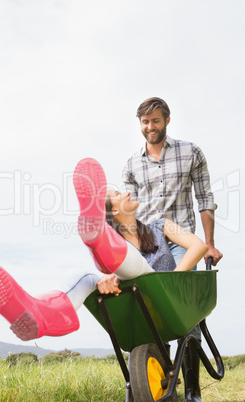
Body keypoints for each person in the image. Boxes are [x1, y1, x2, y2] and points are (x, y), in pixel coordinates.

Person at [0, 158, 207, 344]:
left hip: (167, 302)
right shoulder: (120, 258)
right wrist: (109, 279)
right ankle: (44, 313)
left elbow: (199, 246)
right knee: (87, 277)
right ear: (115, 210)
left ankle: (99, 238)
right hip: (139, 311)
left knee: (128, 266)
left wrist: (170, 280)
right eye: (118, 194)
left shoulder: (161, 225)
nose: (127, 193)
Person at [122, 97, 223, 402]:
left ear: (167, 120)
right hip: (149, 243)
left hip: (183, 243)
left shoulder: (190, 152)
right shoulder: (131, 165)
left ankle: (192, 391)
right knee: (151, 311)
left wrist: (210, 243)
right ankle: (159, 383)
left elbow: (205, 199)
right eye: (144, 122)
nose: (149, 127)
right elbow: (129, 214)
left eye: (155, 121)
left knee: (184, 312)